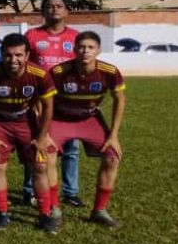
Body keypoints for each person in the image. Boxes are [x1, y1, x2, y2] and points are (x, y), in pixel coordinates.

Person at [0, 34, 60, 233]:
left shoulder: (39, 74)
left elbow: (48, 107)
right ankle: (1, 214)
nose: (13, 60)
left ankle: (45, 215)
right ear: (1, 54)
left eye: (18, 55)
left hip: (26, 123)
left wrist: (41, 136)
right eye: (8, 55)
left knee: (40, 167)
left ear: (27, 55)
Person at [46, 31, 127, 228]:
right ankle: (54, 208)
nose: (85, 51)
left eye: (90, 47)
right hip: (60, 118)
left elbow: (120, 100)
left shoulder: (109, 71)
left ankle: (99, 210)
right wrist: (44, 133)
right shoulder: (58, 72)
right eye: (81, 47)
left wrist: (114, 135)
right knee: (46, 155)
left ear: (98, 50)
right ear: (74, 49)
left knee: (112, 155)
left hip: (89, 118)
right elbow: (43, 102)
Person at [25, 0, 83, 208]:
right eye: (50, 6)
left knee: (71, 148)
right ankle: (30, 190)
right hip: (39, 100)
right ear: (43, 11)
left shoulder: (76, 37)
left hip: (68, 100)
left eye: (59, 6)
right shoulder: (32, 35)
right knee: (37, 145)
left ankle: (70, 192)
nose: (55, 9)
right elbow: (25, 67)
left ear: (66, 10)